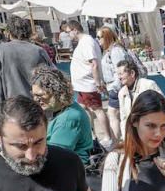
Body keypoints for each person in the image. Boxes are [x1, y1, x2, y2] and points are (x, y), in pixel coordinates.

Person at [0, 16, 53, 126]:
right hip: (39, 108)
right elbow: (52, 80)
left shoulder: (1, 50)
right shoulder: (38, 50)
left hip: (13, 111)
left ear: (9, 32)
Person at [30, 65, 93, 164]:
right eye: (34, 95)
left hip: (72, 170)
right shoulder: (68, 108)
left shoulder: (68, 118)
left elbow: (55, 156)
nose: (36, 99)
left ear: (57, 92)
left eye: (41, 95)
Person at [68, 20, 113, 150]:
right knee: (83, 109)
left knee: (97, 109)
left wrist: (97, 82)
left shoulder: (87, 42)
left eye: (68, 32)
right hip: (82, 85)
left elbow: (93, 63)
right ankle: (91, 136)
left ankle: (108, 138)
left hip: (88, 84)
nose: (68, 35)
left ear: (75, 30)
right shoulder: (84, 42)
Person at [98, 26, 134, 144]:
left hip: (118, 87)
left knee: (114, 114)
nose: (98, 40)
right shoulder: (110, 50)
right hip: (114, 87)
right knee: (118, 114)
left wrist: (115, 88)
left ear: (106, 37)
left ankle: (115, 141)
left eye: (100, 37)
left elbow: (121, 70)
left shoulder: (115, 50)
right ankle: (119, 140)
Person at [117, 59, 160, 135]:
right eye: (118, 74)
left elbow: (163, 107)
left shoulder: (148, 85)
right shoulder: (122, 93)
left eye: (121, 74)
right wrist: (126, 137)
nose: (119, 77)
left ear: (132, 73)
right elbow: (123, 119)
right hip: (134, 133)